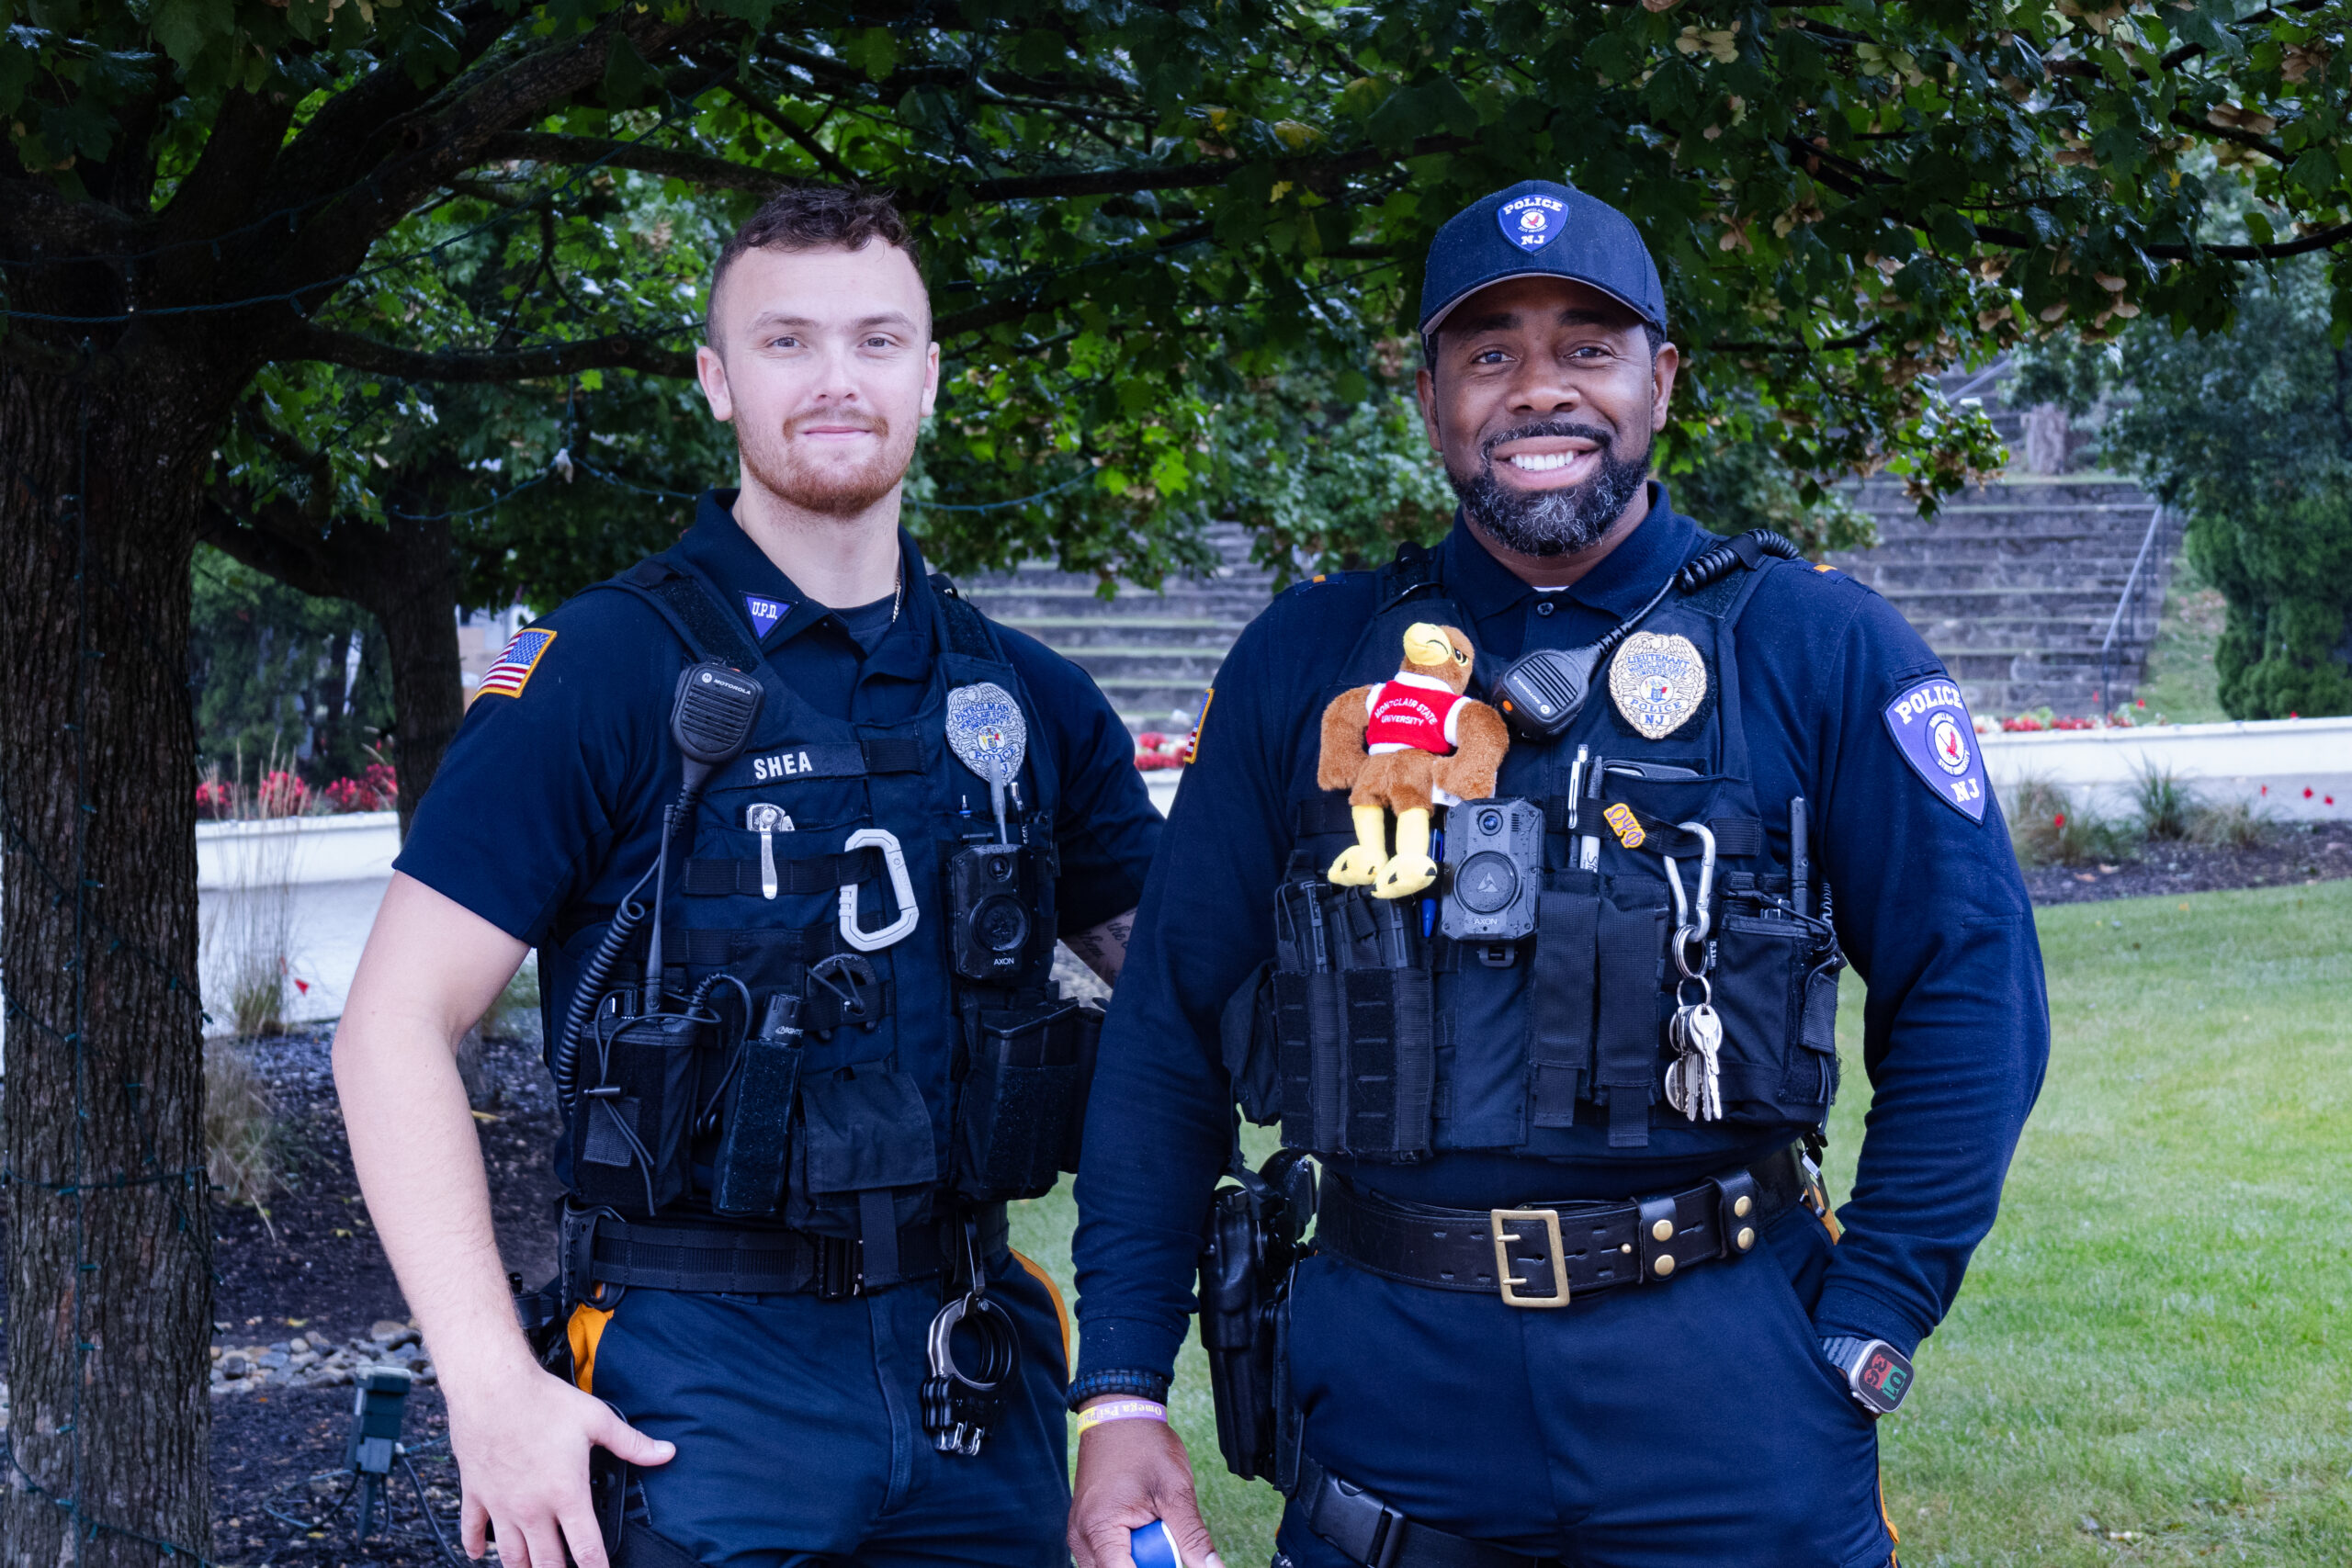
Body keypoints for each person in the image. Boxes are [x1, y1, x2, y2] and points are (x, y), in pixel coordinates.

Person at [1064, 179, 2049, 1568]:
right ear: (1428, 396)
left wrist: (1876, 1307)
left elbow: (1973, 987)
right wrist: (1118, 1384)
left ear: (1663, 378)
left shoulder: (1821, 648)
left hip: (1724, 1383)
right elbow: (1167, 1028)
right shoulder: (1306, 664)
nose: (1540, 390)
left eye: (1588, 345)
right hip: (1391, 1392)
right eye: (1489, 352)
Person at [335, 186, 1161, 1568]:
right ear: (717, 380)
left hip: (974, 1369)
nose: (839, 380)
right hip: (699, 1388)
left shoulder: (1027, 699)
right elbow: (390, 1029)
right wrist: (486, 1387)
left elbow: (1195, 999)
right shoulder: (600, 669)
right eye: (787, 342)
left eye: (878, 340)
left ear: (930, 375)